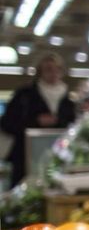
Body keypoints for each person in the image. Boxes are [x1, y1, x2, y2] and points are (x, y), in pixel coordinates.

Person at [0, 53, 77, 186]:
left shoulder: (68, 99)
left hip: (57, 156)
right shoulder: (24, 95)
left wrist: (58, 122)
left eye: (57, 69)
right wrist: (35, 122)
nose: (53, 73)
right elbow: (7, 122)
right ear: (40, 72)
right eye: (48, 69)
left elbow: (73, 125)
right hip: (25, 158)